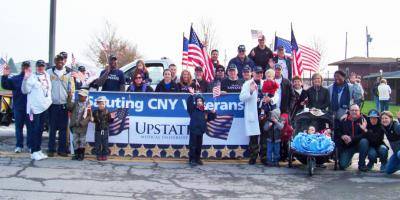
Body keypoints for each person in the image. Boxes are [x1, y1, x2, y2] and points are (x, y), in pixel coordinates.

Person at [21, 60, 52, 161]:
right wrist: (25, 79)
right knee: (34, 130)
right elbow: (24, 90)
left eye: (42, 66)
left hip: (43, 107)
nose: (40, 68)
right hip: (34, 109)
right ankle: (33, 151)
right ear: (36, 67)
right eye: (39, 66)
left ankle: (38, 150)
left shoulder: (47, 75)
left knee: (40, 130)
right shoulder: (32, 77)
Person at [46, 54, 76, 157]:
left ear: (64, 62)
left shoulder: (68, 73)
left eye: (62, 60)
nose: (60, 62)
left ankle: (62, 149)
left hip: (63, 104)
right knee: (52, 128)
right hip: (52, 105)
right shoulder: (49, 72)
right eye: (58, 60)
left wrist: (70, 102)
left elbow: (72, 89)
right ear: (55, 61)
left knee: (63, 129)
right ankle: (51, 149)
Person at [1, 61, 31, 153]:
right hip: (18, 107)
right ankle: (19, 145)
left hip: (30, 108)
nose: (25, 68)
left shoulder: (33, 79)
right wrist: (5, 76)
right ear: (21, 68)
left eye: (27, 67)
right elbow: (5, 85)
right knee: (19, 128)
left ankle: (30, 146)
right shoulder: (15, 78)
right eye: (24, 67)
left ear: (29, 68)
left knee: (30, 128)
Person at [186, 88, 216, 166]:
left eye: (200, 101)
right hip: (193, 130)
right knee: (193, 145)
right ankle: (192, 159)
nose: (199, 102)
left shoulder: (205, 111)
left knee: (199, 145)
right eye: (197, 101)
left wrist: (213, 113)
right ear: (195, 102)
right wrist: (192, 95)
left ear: (203, 102)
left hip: (201, 131)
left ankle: (197, 158)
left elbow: (211, 118)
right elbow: (188, 103)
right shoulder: (192, 109)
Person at [337, 104, 369, 171]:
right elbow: (338, 131)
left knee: (364, 141)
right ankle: (349, 160)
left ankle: (362, 164)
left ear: (359, 111)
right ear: (349, 111)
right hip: (349, 146)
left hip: (360, 144)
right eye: (352, 110)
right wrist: (342, 136)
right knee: (342, 166)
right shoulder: (344, 120)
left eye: (356, 110)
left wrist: (352, 138)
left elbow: (365, 135)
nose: (354, 112)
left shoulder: (364, 120)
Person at [239, 74, 261, 165]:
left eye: (261, 73)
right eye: (257, 72)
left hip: (264, 112)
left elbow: (275, 96)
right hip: (253, 112)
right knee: (254, 136)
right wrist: (251, 92)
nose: (259, 74)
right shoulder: (247, 84)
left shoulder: (265, 82)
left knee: (265, 136)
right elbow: (241, 98)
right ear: (253, 73)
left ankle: (263, 157)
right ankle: (253, 157)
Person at [67, 89, 92, 161]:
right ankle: (76, 154)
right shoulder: (75, 103)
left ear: (86, 97)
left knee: (82, 141)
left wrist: (82, 123)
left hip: (82, 127)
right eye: (79, 95)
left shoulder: (88, 106)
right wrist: (69, 97)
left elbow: (89, 116)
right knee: (75, 140)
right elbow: (69, 107)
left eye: (82, 96)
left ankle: (81, 155)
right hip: (75, 126)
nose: (80, 97)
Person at [92, 96, 115, 161]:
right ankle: (98, 155)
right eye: (100, 104)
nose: (101, 105)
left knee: (105, 143)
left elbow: (110, 121)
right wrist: (92, 119)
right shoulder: (95, 112)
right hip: (98, 130)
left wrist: (112, 118)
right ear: (97, 104)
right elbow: (94, 121)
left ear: (105, 104)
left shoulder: (108, 112)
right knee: (98, 143)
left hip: (105, 130)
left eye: (103, 104)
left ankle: (104, 155)